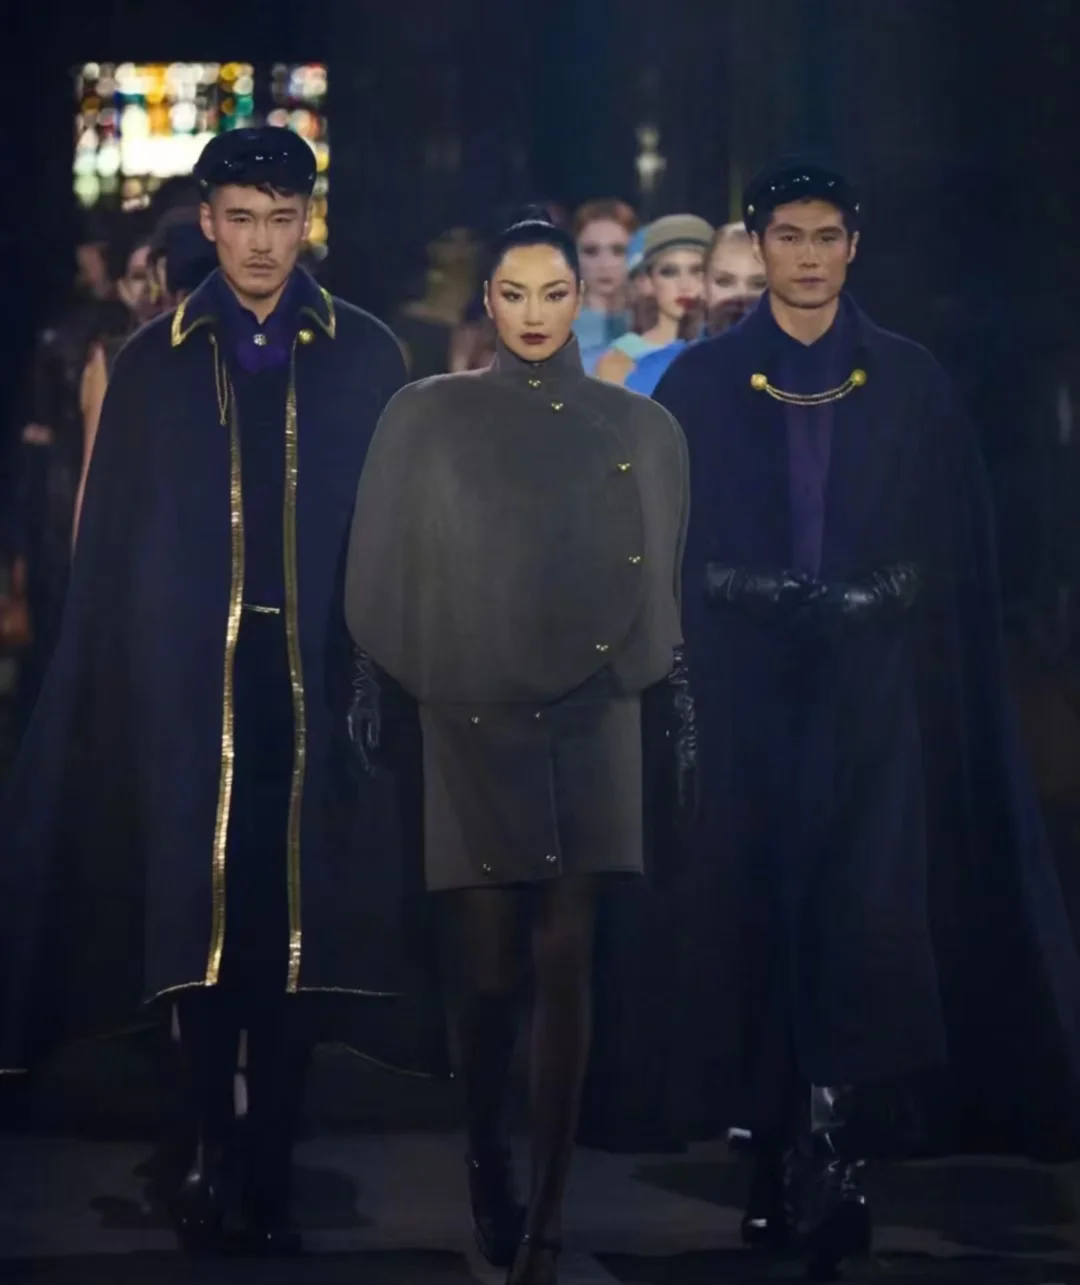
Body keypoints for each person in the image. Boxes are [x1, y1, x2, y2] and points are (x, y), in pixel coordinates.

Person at [654, 158, 1080, 1279]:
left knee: (861, 909)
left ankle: (836, 1156)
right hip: (745, 691)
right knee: (762, 905)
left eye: (826, 235)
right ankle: (770, 1150)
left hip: (873, 693)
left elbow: (956, 541)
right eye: (788, 235)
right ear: (759, 243)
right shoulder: (701, 383)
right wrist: (740, 588)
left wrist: (882, 592)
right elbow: (659, 540)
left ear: (855, 245)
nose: (807, 254)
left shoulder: (909, 382)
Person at [0, 126, 421, 1254]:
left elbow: (398, 535)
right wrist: (114, 679)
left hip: (321, 676)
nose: (262, 242)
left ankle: (270, 1153)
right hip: (187, 678)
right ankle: (199, 1139)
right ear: (208, 221)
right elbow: (113, 543)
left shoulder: (367, 355)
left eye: (282, 219)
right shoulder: (154, 362)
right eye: (241, 218)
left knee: (293, 921)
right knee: (198, 910)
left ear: (308, 221)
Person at [344, 208, 695, 1285]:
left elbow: (661, 572)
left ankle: (547, 1214)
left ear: (580, 299)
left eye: (553, 293)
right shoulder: (427, 415)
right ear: (487, 301)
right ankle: (486, 1143)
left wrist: (656, 689)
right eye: (514, 293)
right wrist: (407, 677)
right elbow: (387, 563)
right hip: (472, 708)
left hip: (598, 705)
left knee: (567, 955)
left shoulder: (641, 426)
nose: (535, 314)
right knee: (491, 968)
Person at [626, 222, 767, 396]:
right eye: (724, 282)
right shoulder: (658, 369)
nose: (740, 296)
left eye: (758, 284)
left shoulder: (794, 369)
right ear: (704, 285)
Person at [595, 214, 712, 386]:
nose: (684, 285)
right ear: (649, 280)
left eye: (697, 271)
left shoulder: (729, 348)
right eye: (669, 272)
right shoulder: (620, 361)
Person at [571, 198, 637, 370]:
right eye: (591, 251)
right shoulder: (555, 326)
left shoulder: (650, 323)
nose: (604, 264)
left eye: (618, 251)